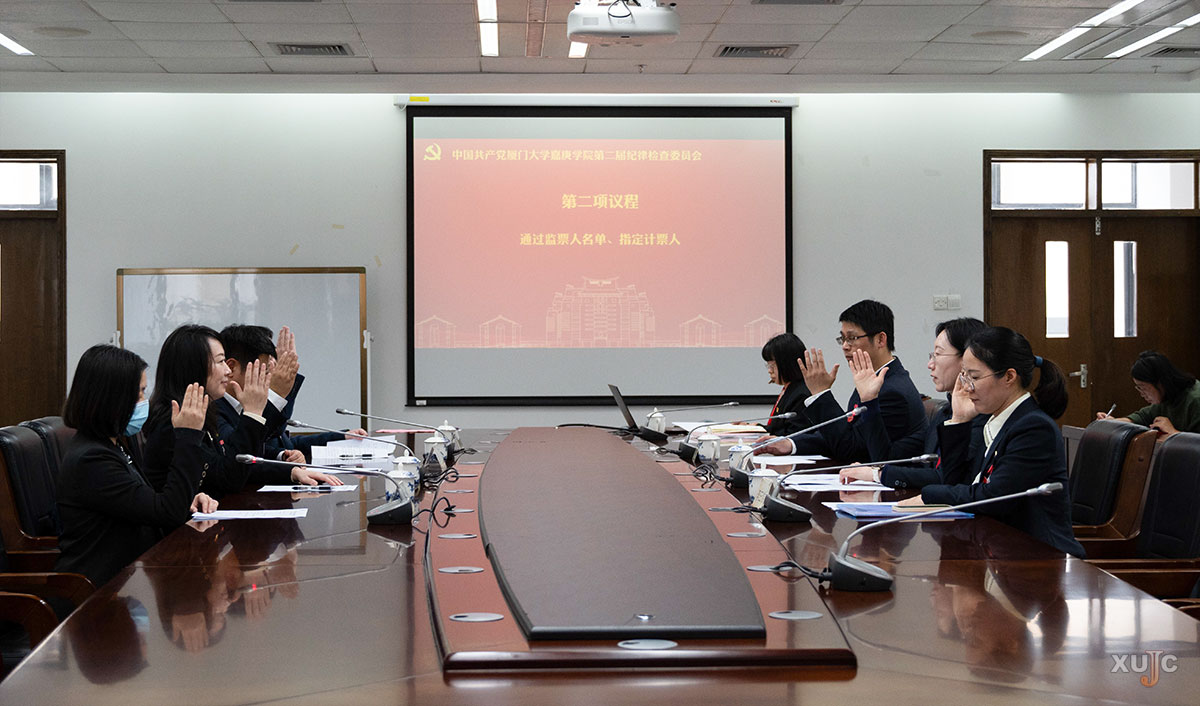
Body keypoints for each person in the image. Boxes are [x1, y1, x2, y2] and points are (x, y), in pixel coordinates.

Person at [897, 326, 1084, 558]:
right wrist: (959, 421)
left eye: (974, 377)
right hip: (1000, 550)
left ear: (1009, 377)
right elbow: (957, 482)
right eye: (964, 376)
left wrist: (930, 495)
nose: (966, 387)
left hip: (1039, 558)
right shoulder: (998, 421)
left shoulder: (1033, 427)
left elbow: (994, 498)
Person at [55, 344, 218, 588]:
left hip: (131, 578)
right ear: (112, 398)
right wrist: (188, 437)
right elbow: (167, 513)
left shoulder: (115, 443)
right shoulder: (92, 460)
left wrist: (189, 500)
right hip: (97, 591)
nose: (145, 402)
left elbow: (150, 503)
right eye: (139, 394)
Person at [142, 324, 334, 497]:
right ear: (193, 368)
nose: (227, 371)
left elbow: (230, 461)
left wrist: (289, 472)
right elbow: (228, 476)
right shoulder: (174, 419)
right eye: (220, 362)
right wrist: (253, 413)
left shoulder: (203, 410)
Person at [756, 299, 926, 462]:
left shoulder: (893, 391)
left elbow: (852, 449)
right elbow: (844, 433)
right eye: (842, 339)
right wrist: (791, 444)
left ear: (880, 339)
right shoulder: (873, 378)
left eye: (852, 338)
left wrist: (821, 394)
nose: (845, 346)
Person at [840, 317, 987, 489]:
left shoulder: (982, 417)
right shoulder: (944, 413)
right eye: (932, 355)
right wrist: (870, 401)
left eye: (938, 355)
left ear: (968, 360)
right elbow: (888, 459)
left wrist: (877, 475)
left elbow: (946, 479)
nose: (930, 364)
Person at [218, 324, 364, 464]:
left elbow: (281, 441)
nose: (270, 377)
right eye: (266, 370)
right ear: (231, 368)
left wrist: (341, 437)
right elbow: (242, 452)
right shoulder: (215, 408)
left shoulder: (244, 405)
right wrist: (277, 393)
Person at [1096, 350, 1200, 437]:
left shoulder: (1195, 399)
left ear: (1160, 383)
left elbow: (1195, 444)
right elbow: (1142, 417)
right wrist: (1112, 422)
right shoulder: (1166, 396)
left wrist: (1174, 433)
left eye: (1143, 388)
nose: (1142, 394)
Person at [758, 332, 813, 435]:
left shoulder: (801, 395)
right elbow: (776, 428)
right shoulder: (789, 389)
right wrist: (752, 428)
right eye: (768, 365)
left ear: (786, 364)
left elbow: (793, 434)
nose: (769, 370)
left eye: (772, 365)